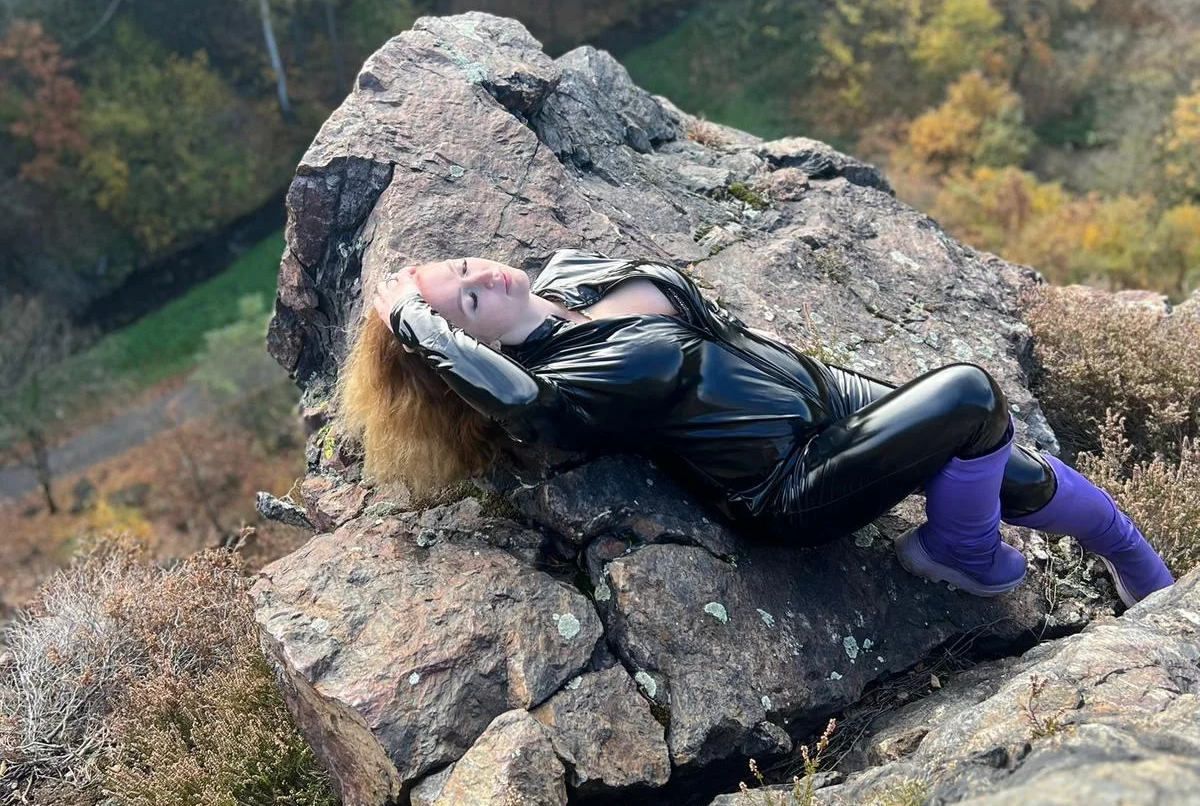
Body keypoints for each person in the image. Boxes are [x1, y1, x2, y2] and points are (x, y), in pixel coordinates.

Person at [334, 248, 1175, 607]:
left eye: (463, 269)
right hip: (789, 480)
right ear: (467, 348)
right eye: (467, 302)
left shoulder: (565, 275)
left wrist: (431, 303)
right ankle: (962, 554)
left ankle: (1128, 552)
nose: (485, 277)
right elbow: (523, 405)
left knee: (1004, 464)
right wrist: (415, 326)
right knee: (968, 397)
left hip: (821, 394)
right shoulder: (564, 389)